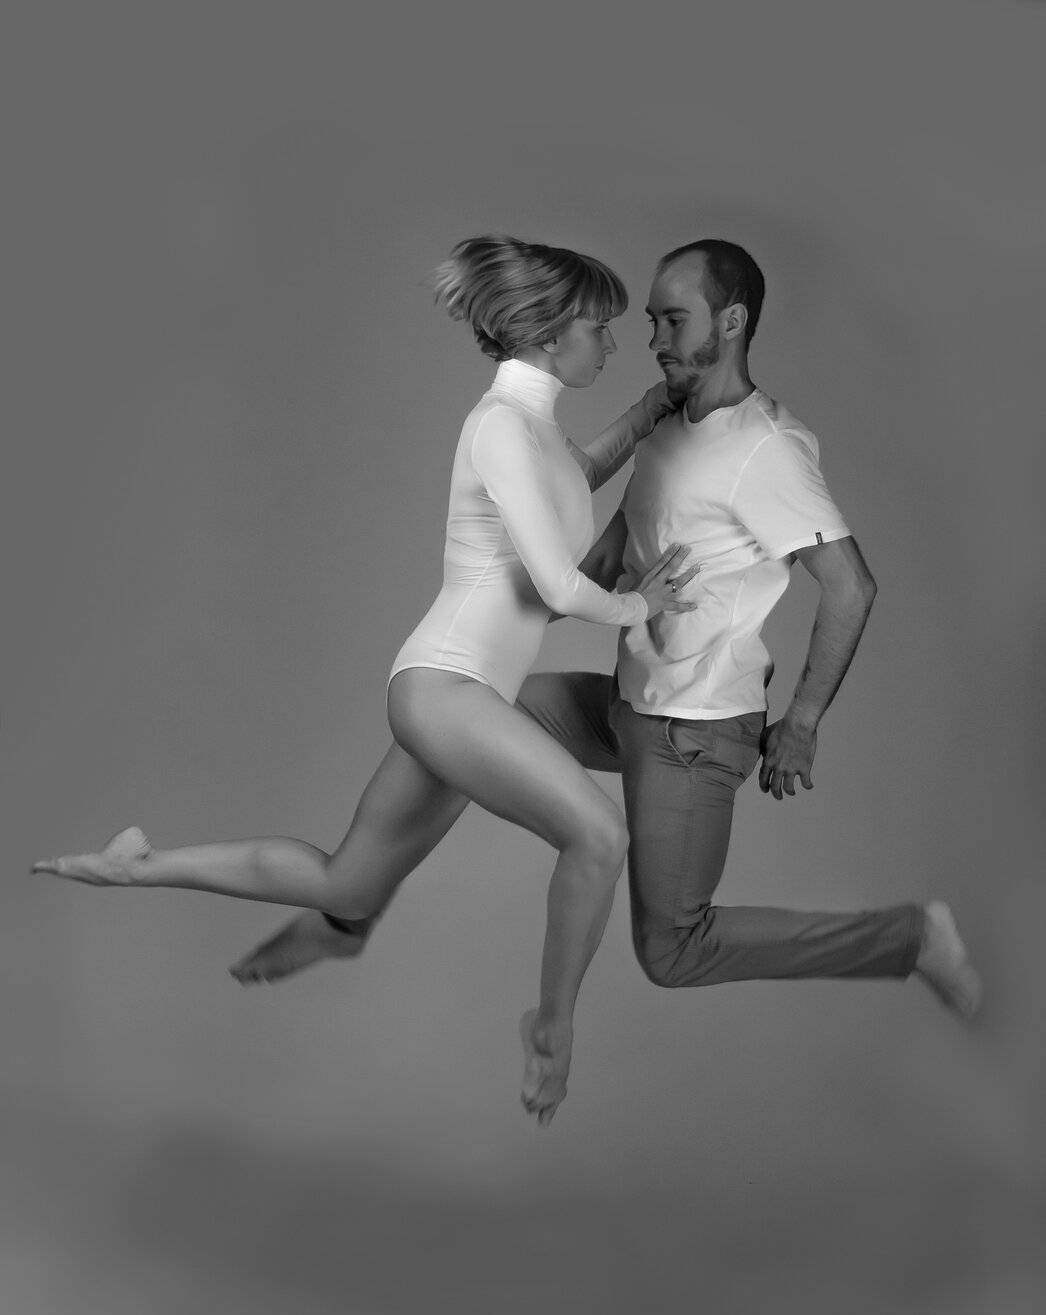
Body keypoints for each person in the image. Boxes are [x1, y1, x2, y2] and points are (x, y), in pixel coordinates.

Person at [229, 238, 981, 1046]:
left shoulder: (767, 449)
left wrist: (800, 722)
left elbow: (851, 586)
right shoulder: (670, 432)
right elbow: (602, 560)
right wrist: (497, 609)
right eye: (650, 320)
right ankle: (345, 912)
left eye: (673, 320)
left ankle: (911, 939)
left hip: (692, 732)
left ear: (731, 323)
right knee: (462, 721)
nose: (652, 341)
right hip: (626, 704)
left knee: (673, 951)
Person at [32, 234, 700, 1127]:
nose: (614, 344)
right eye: (599, 328)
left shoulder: (534, 430)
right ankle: (551, 1030)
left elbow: (576, 477)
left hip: (465, 695)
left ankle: (137, 868)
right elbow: (555, 584)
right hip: (445, 690)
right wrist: (641, 606)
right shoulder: (500, 429)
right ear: (548, 335)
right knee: (599, 836)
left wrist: (649, 413)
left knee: (347, 885)